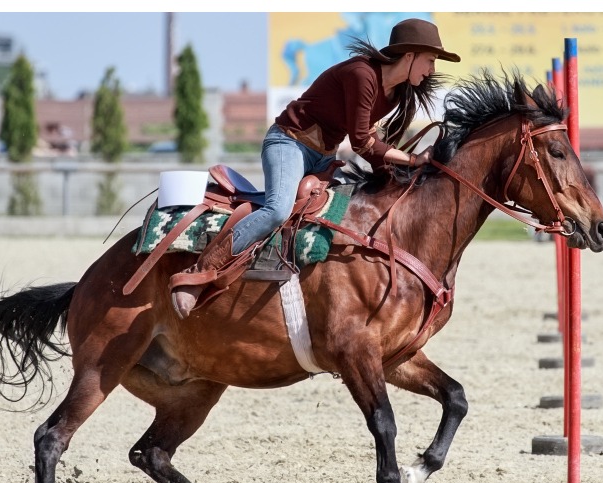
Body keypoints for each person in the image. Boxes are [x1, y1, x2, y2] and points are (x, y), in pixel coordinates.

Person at [170, 18, 461, 319]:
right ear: (410, 55)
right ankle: (200, 272)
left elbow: (373, 147)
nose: (432, 70)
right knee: (277, 211)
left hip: (323, 158)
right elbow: (362, 141)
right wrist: (412, 161)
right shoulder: (362, 75)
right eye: (430, 60)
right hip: (288, 144)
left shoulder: (397, 94)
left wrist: (391, 177)